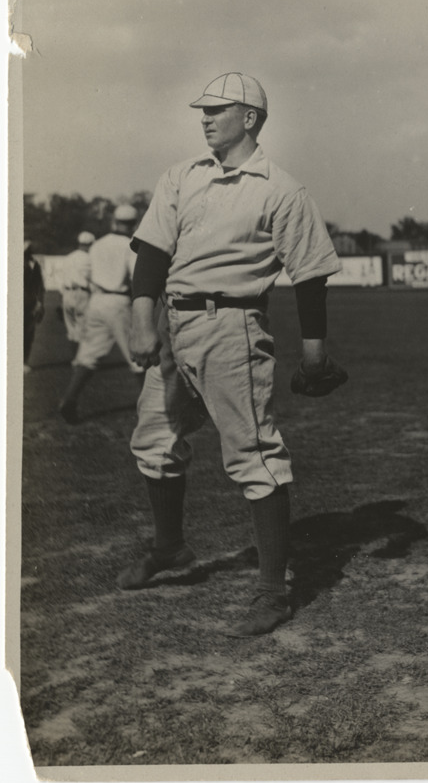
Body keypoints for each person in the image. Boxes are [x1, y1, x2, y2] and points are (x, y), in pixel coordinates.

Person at [117, 71, 347, 638]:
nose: (205, 118)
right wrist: (143, 322)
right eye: (203, 110)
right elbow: (152, 253)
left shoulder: (280, 189)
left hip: (232, 327)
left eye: (217, 109)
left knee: (253, 454)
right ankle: (169, 546)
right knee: (154, 441)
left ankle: (273, 592)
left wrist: (314, 357)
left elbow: (310, 276)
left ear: (249, 118)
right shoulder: (182, 176)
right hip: (174, 325)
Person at [59, 205, 142, 424]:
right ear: (134, 224)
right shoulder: (131, 245)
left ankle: (69, 398)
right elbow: (136, 276)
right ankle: (151, 409)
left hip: (96, 301)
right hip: (118, 301)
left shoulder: (97, 244)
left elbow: (90, 273)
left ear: (114, 221)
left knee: (88, 356)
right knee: (138, 355)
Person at [60, 231, 95, 352]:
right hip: (82, 293)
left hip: (67, 293)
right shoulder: (89, 258)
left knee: (71, 327)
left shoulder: (69, 257)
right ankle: (80, 356)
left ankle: (74, 355)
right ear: (90, 244)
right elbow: (92, 278)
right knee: (82, 325)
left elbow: (61, 277)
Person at [23, 241, 45, 373]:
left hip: (30, 303)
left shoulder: (34, 264)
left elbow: (40, 285)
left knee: (29, 333)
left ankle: (24, 360)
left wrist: (40, 302)